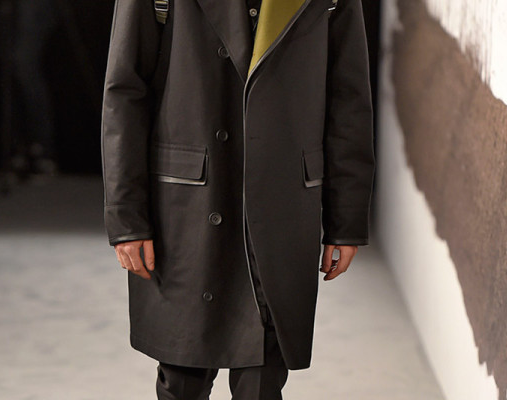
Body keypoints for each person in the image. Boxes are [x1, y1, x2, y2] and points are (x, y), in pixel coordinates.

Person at [100, 0, 375, 398]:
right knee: (182, 378)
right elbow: (124, 91)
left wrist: (346, 220)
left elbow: (349, 98)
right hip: (187, 203)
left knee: (262, 380)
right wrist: (126, 218)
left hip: (279, 204)